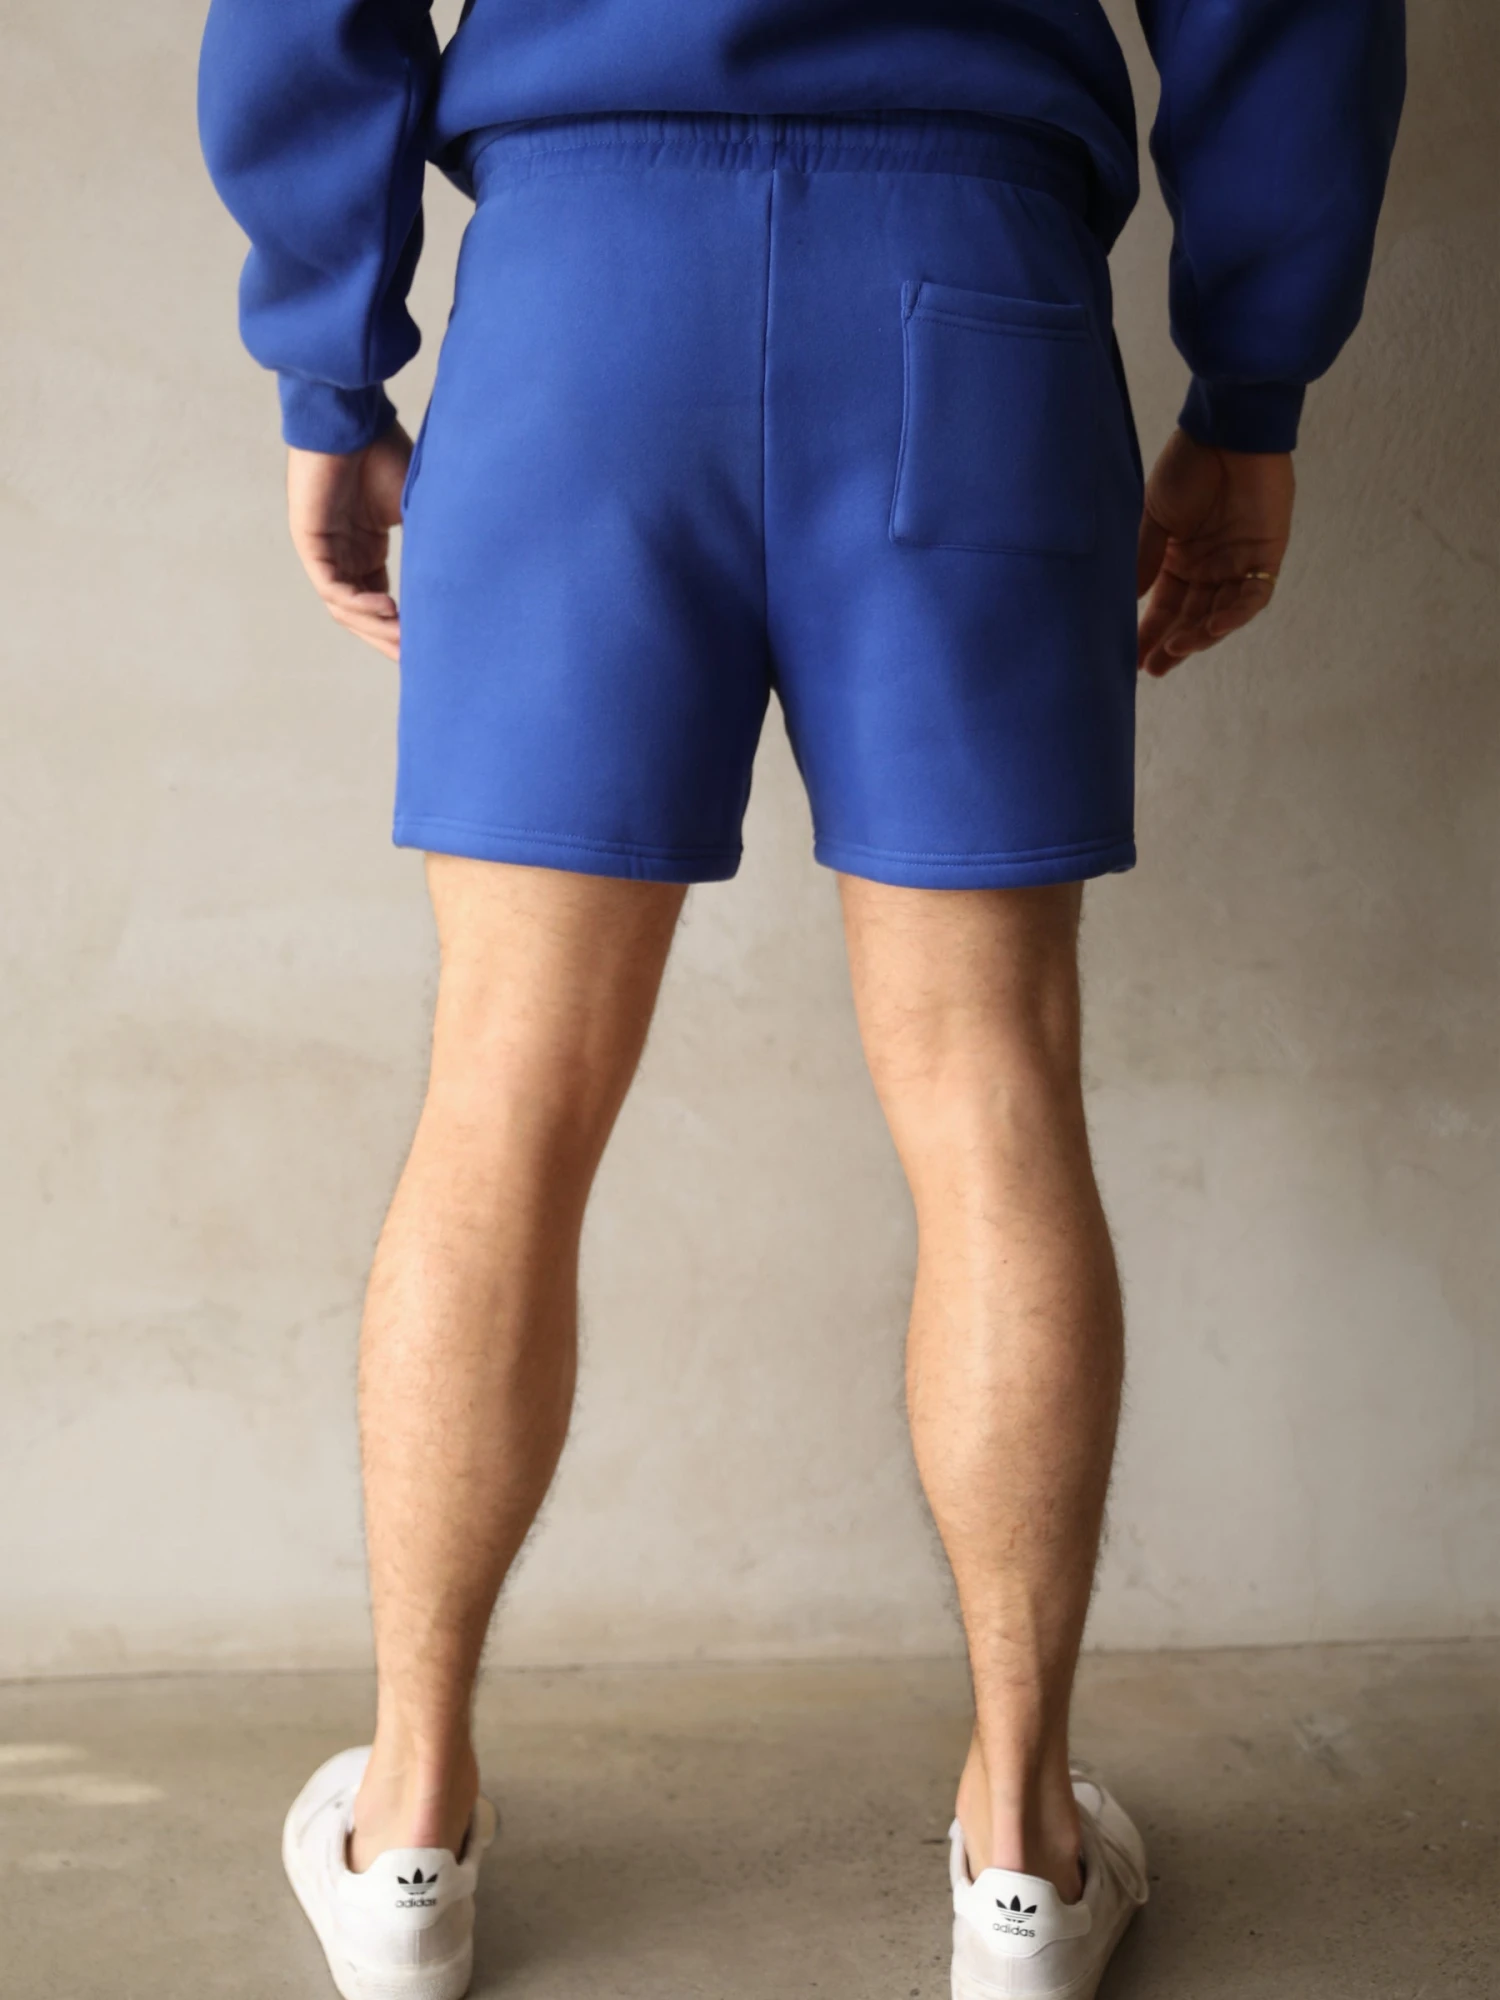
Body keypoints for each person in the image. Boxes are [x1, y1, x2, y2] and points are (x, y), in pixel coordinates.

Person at [198, 1, 1404, 1994]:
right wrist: (1252, 388)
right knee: (991, 1091)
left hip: (585, 298)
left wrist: (328, 371)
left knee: (504, 1087)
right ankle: (1023, 1861)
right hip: (972, 287)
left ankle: (406, 1834)